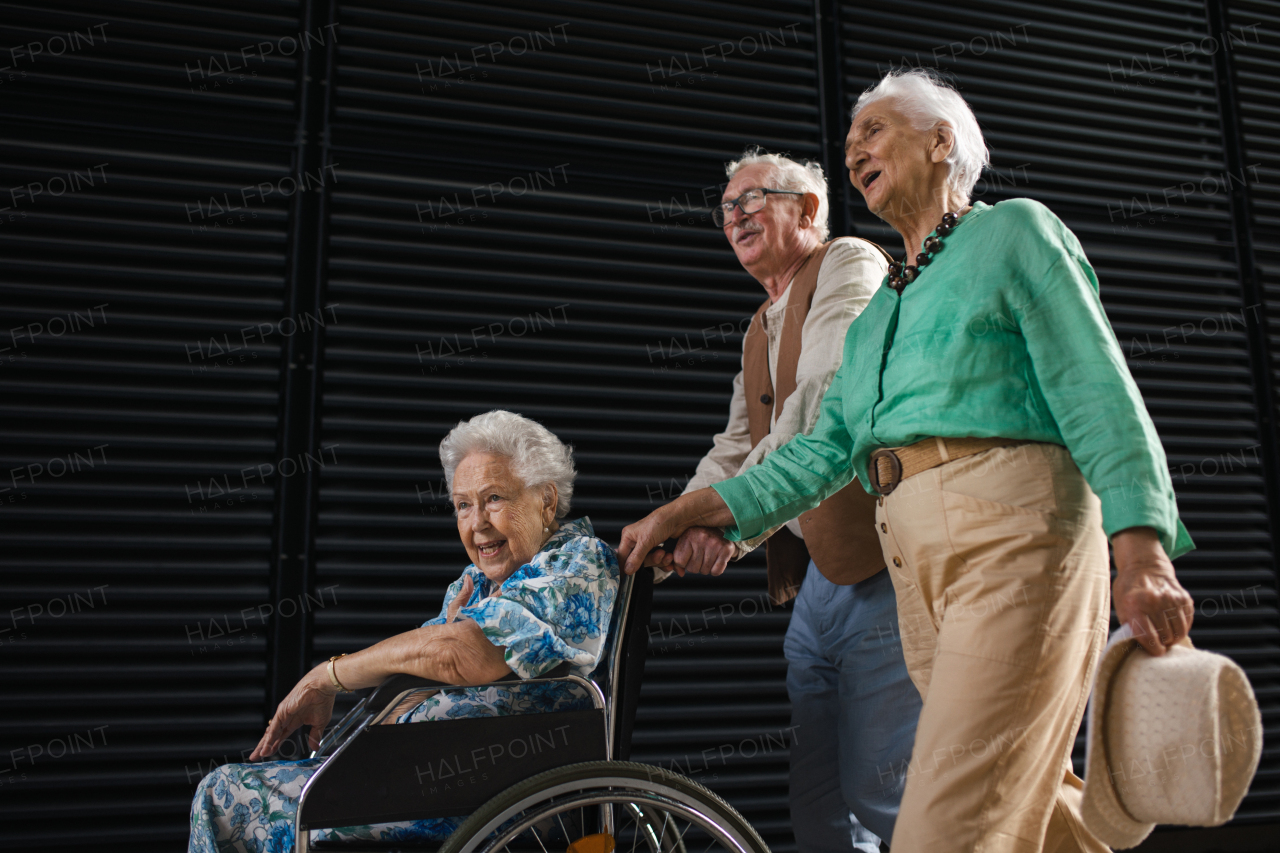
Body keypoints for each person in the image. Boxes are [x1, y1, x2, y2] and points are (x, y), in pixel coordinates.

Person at [619, 69, 1195, 853]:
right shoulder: (882, 310)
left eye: (874, 130)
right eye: (852, 137)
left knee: (942, 823)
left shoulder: (1012, 233)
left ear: (941, 141)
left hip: (1017, 544)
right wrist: (695, 509)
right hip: (919, 570)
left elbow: (1095, 387)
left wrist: (1143, 549)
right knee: (1032, 811)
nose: (854, 148)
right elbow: (821, 453)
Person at [647, 147, 918, 852]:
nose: (734, 216)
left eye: (752, 199)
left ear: (807, 210)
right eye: (726, 207)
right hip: (820, 581)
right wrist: (675, 532)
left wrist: (720, 522)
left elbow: (822, 402)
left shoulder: (848, 263)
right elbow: (735, 448)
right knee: (820, 803)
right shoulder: (758, 326)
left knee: (884, 789)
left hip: (884, 567)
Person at [189, 410, 618, 852]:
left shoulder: (578, 562)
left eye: (493, 498)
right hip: (416, 778)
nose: (477, 524)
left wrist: (327, 676)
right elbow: (418, 663)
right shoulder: (476, 583)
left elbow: (456, 654)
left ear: (547, 500)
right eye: (463, 505)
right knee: (230, 788)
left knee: (225, 797)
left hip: (481, 791)